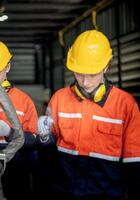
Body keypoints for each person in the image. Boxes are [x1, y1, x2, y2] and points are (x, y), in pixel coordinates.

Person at [38, 29, 140, 200]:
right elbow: (47, 156)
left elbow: (134, 162)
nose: (85, 81)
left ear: (106, 66)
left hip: (107, 196)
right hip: (63, 193)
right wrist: (43, 138)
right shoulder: (58, 99)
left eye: (92, 74)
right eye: (79, 73)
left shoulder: (126, 105)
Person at [0, 40, 38, 199]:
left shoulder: (24, 101)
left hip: (15, 171)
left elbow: (32, 142)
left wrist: (10, 132)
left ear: (8, 67)